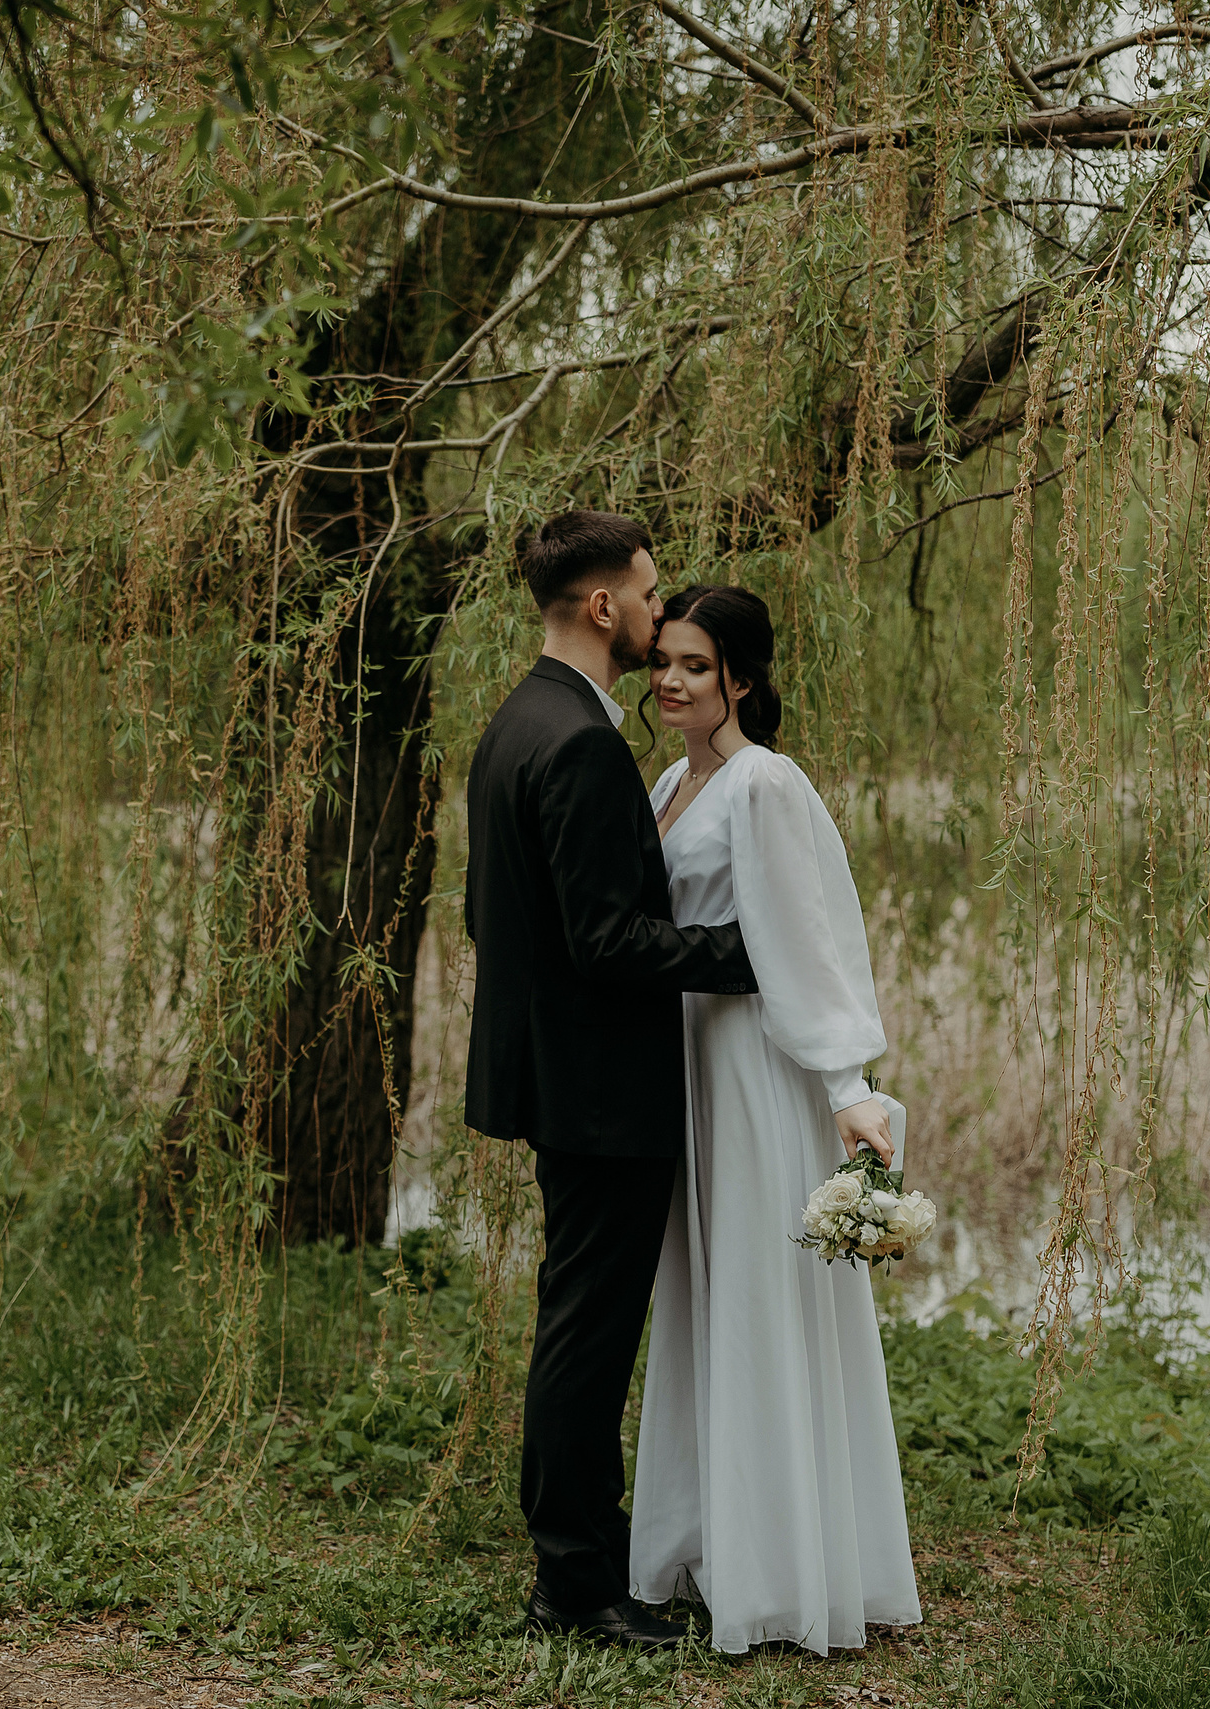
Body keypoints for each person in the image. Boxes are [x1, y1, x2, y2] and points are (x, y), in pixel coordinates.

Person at [462, 511, 759, 1649]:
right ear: (602, 606)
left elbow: (497, 914)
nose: (656, 609)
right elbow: (605, 939)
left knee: (574, 1322)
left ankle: (581, 1554)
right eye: (646, 593)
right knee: (587, 1335)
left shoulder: (518, 720)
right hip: (601, 1091)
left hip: (559, 1075)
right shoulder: (581, 741)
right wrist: (748, 953)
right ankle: (576, 1582)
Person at [627, 584, 922, 1655]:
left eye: (696, 665)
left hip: (750, 1065)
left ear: (741, 680)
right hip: (688, 1063)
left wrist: (846, 1084)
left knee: (756, 1293)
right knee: (704, 1295)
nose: (670, 680)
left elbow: (806, 936)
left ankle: (783, 1568)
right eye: (664, 660)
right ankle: (710, 1539)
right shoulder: (672, 779)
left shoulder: (763, 781)